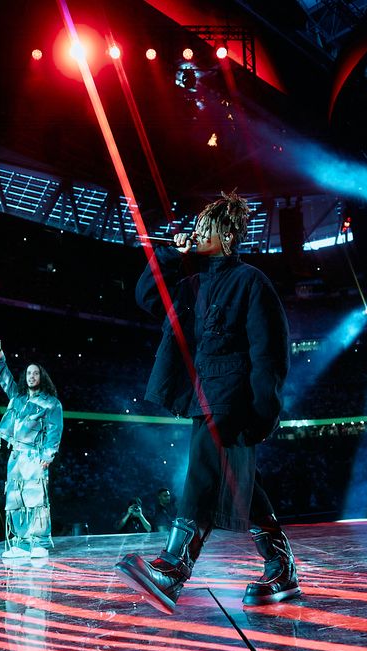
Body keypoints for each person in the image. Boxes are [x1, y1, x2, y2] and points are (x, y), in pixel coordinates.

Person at [114, 191, 300, 614]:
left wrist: (263, 409)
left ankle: (173, 569)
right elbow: (147, 298)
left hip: (232, 400)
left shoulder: (251, 281)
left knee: (201, 476)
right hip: (203, 399)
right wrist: (167, 254)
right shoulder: (193, 284)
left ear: (229, 234)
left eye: (206, 226)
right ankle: (282, 568)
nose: (197, 233)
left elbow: (269, 352)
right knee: (240, 485)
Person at [0, 334, 63, 559]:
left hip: (35, 455)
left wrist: (48, 455)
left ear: (42, 377)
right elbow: (4, 378)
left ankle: (39, 543)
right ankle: (21, 544)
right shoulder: (18, 397)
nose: (31, 376)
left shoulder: (51, 402)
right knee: (15, 499)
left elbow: (54, 430)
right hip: (16, 456)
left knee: (35, 498)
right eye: (29, 373)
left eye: (36, 373)